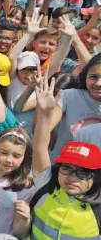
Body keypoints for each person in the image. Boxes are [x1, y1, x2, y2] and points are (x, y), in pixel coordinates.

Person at [31, 71, 101, 240]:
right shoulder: (47, 184)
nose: (73, 177)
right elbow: (40, 146)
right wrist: (45, 113)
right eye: (67, 168)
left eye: (84, 172)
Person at [46, 53, 101, 160]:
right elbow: (44, 130)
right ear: (85, 76)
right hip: (62, 168)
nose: (99, 83)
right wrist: (43, 111)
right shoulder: (69, 96)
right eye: (93, 77)